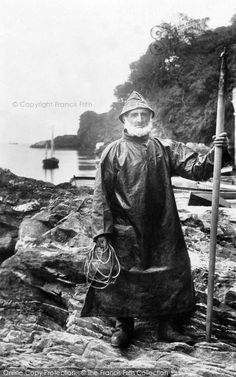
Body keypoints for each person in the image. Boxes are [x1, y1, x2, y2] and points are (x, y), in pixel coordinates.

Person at [81, 91, 231, 347]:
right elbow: (100, 195)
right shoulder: (112, 152)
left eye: (143, 114)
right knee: (121, 276)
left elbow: (198, 169)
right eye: (134, 115)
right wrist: (102, 232)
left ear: (150, 118)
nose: (139, 118)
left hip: (163, 226)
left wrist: (219, 151)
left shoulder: (165, 147)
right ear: (125, 119)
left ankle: (168, 326)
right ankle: (123, 326)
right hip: (124, 227)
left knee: (173, 270)